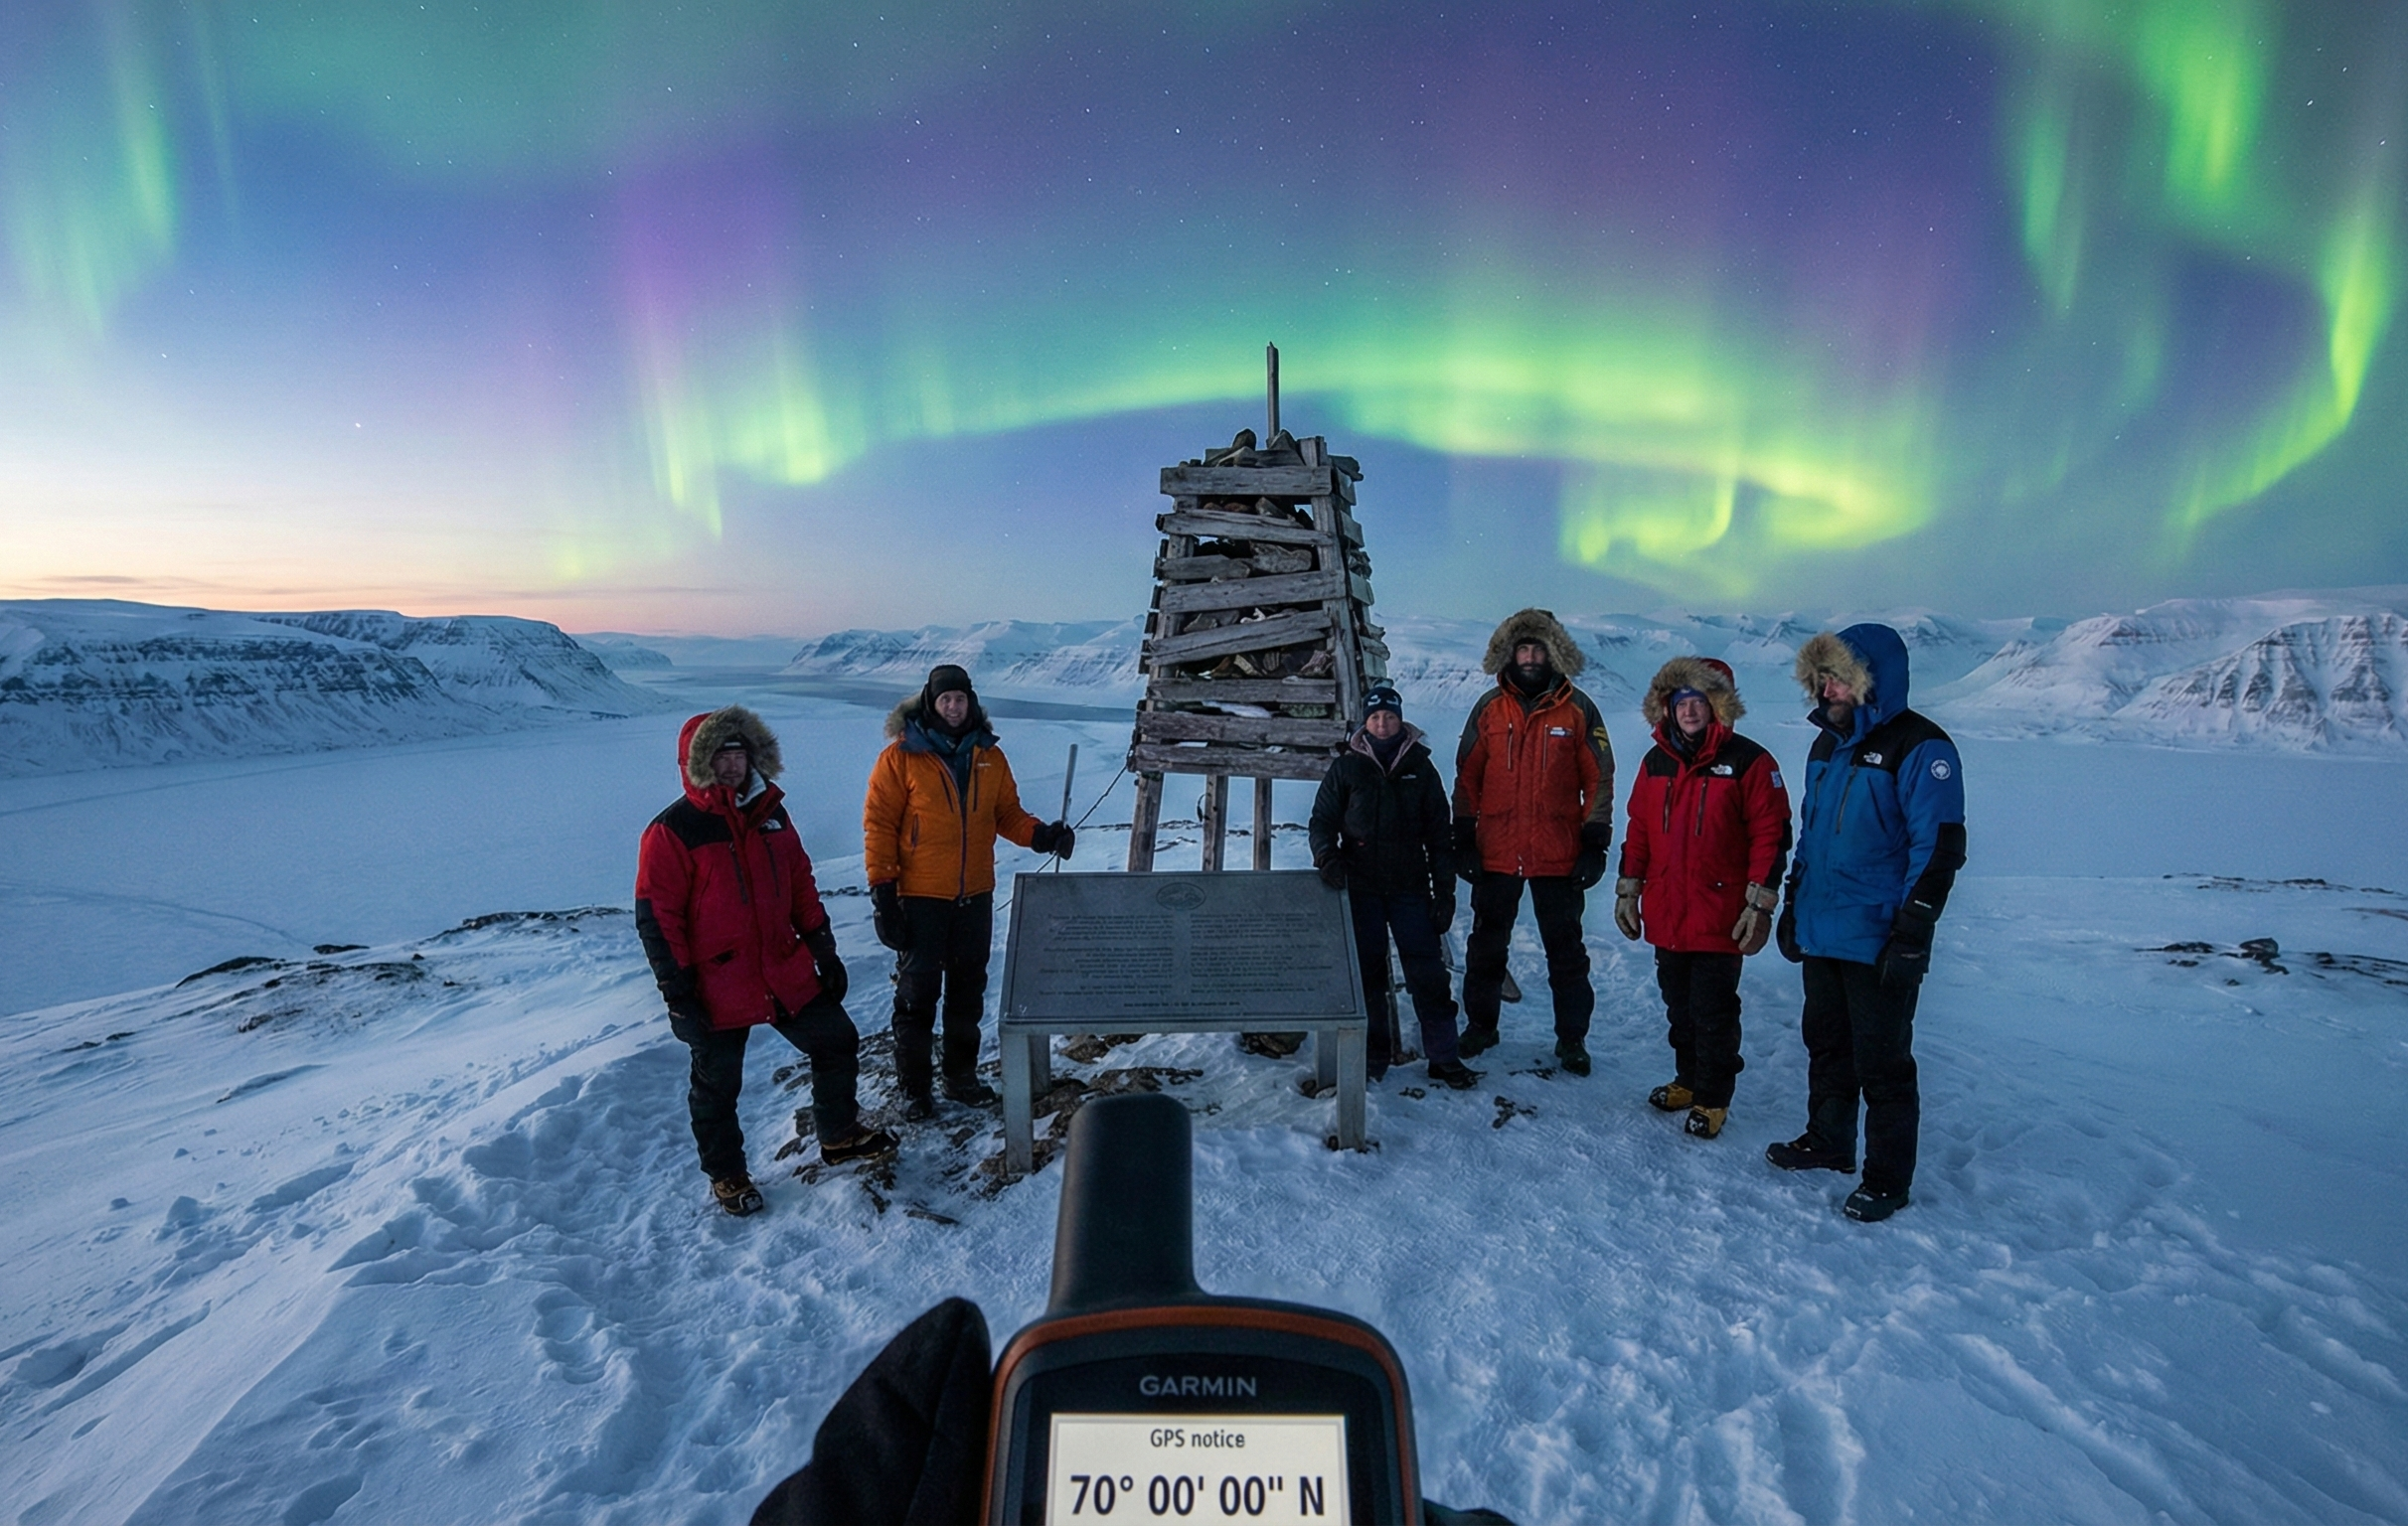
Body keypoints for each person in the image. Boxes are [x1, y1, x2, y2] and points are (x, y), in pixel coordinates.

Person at [636, 706, 895, 1217]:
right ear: (696, 762)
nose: (732, 766)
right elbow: (658, 917)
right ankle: (727, 1173)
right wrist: (677, 989)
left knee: (836, 1039)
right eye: (720, 756)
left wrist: (823, 948)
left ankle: (839, 1135)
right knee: (717, 1080)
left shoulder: (772, 814)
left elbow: (799, 882)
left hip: (781, 966)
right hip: (715, 979)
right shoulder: (673, 831)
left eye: (739, 754)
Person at [1767, 624, 1967, 1223]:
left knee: (1882, 1062)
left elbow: (1937, 850)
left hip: (1880, 935)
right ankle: (1829, 1140)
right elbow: (1811, 836)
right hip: (1825, 926)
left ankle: (1887, 1178)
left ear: (1871, 681)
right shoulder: (1825, 746)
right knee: (1826, 1044)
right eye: (1822, 676)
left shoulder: (1922, 748)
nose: (1829, 687)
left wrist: (1913, 932)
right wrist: (1794, 904)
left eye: (1841, 676)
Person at [864, 665, 1072, 1121]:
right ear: (930, 704)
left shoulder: (989, 756)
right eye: (945, 700)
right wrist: (883, 892)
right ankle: (914, 1090)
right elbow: (879, 826)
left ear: (971, 703)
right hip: (921, 897)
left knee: (966, 994)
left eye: (960, 699)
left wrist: (1041, 835)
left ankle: (961, 1077)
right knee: (917, 996)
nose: (954, 708)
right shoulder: (900, 757)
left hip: (974, 895)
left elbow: (1007, 814)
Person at [1614, 658, 1791, 1140]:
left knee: (1713, 1010)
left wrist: (1759, 903)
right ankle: (1688, 1080)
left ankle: (1713, 1096)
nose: (1690, 712)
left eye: (1700, 702)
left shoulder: (1751, 762)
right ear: (1668, 709)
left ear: (1718, 707)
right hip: (1669, 909)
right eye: (1681, 703)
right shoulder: (1655, 762)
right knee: (1679, 1004)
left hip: (1720, 912)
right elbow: (1641, 829)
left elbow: (1770, 835)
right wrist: (1629, 887)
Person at [1451, 608, 1616, 1074]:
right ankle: (1481, 1026)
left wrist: (1594, 841)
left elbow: (1599, 777)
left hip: (1558, 853)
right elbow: (1467, 775)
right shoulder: (1488, 708)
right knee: (1486, 947)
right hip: (1497, 850)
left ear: (1553, 653)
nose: (1529, 657)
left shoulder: (1578, 708)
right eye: (1522, 648)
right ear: (1509, 653)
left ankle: (1572, 1040)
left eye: (1538, 648)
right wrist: (1462, 834)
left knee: (1566, 953)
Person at [1309, 684, 1481, 1090]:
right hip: (1361, 887)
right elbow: (1321, 822)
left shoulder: (1421, 767)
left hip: (1410, 888)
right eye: (1374, 717)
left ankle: (1443, 1056)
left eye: (1389, 716)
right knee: (1368, 975)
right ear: (1364, 723)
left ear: (1400, 719)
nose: (1382, 724)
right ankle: (1373, 1057)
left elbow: (1441, 838)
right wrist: (1327, 858)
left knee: (1428, 973)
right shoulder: (1347, 767)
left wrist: (1445, 895)